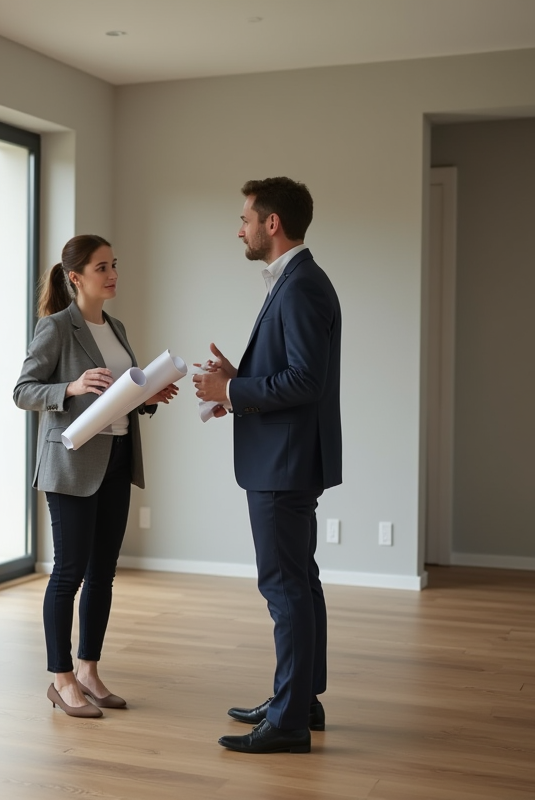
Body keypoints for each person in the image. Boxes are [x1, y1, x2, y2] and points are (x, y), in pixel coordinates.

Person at [193, 177, 342, 754]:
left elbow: (306, 380)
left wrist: (233, 391)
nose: (241, 228)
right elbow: (294, 371)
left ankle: (288, 721)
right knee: (300, 580)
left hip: (283, 463)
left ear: (271, 223)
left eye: (245, 218)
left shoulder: (301, 284)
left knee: (284, 587)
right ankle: (298, 698)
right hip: (288, 457)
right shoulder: (297, 280)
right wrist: (238, 378)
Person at [14, 234, 178, 718]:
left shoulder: (117, 326)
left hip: (117, 458)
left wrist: (145, 398)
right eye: (102, 267)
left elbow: (117, 396)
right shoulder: (56, 327)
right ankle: (61, 679)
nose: (112, 275)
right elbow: (24, 390)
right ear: (75, 277)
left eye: (114, 265)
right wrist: (71, 386)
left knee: (103, 574)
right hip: (71, 465)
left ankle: (88, 670)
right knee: (69, 572)